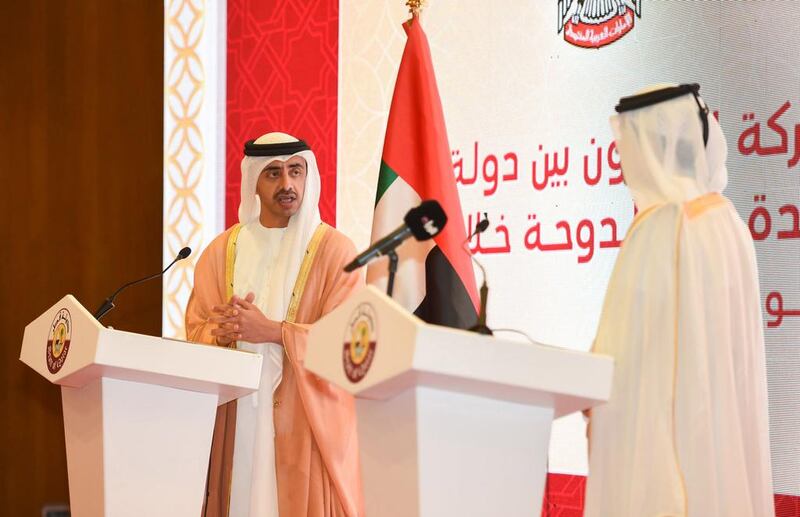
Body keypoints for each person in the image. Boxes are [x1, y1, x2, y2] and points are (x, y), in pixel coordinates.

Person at [584, 84, 774, 517]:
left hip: (667, 446)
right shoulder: (727, 221)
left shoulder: (661, 226)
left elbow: (624, 353)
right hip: (719, 447)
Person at [185, 132, 364, 517]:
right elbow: (195, 331)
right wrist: (219, 334)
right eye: (273, 174)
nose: (287, 184)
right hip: (238, 421)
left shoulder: (337, 253)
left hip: (304, 427)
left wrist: (273, 331)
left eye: (295, 171)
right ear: (253, 181)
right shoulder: (220, 253)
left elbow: (349, 347)